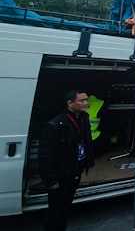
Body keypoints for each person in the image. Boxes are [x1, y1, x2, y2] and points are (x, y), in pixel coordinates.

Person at [39, 90, 95, 231]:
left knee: (65, 207)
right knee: (55, 211)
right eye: (81, 101)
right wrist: (51, 181)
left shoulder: (84, 118)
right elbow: (45, 155)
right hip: (60, 174)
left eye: (86, 100)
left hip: (74, 170)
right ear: (70, 103)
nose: (85, 103)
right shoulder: (56, 125)